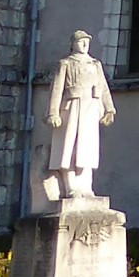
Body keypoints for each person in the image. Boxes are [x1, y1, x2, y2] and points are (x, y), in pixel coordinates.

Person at [45, 30, 116, 198]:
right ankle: (71, 186)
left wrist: (109, 109)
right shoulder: (65, 64)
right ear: (73, 44)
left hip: (91, 108)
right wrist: (53, 113)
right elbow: (56, 89)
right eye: (80, 41)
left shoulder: (94, 64)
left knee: (87, 149)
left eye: (86, 41)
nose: (84, 44)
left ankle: (86, 186)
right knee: (69, 147)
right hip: (71, 107)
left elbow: (103, 87)